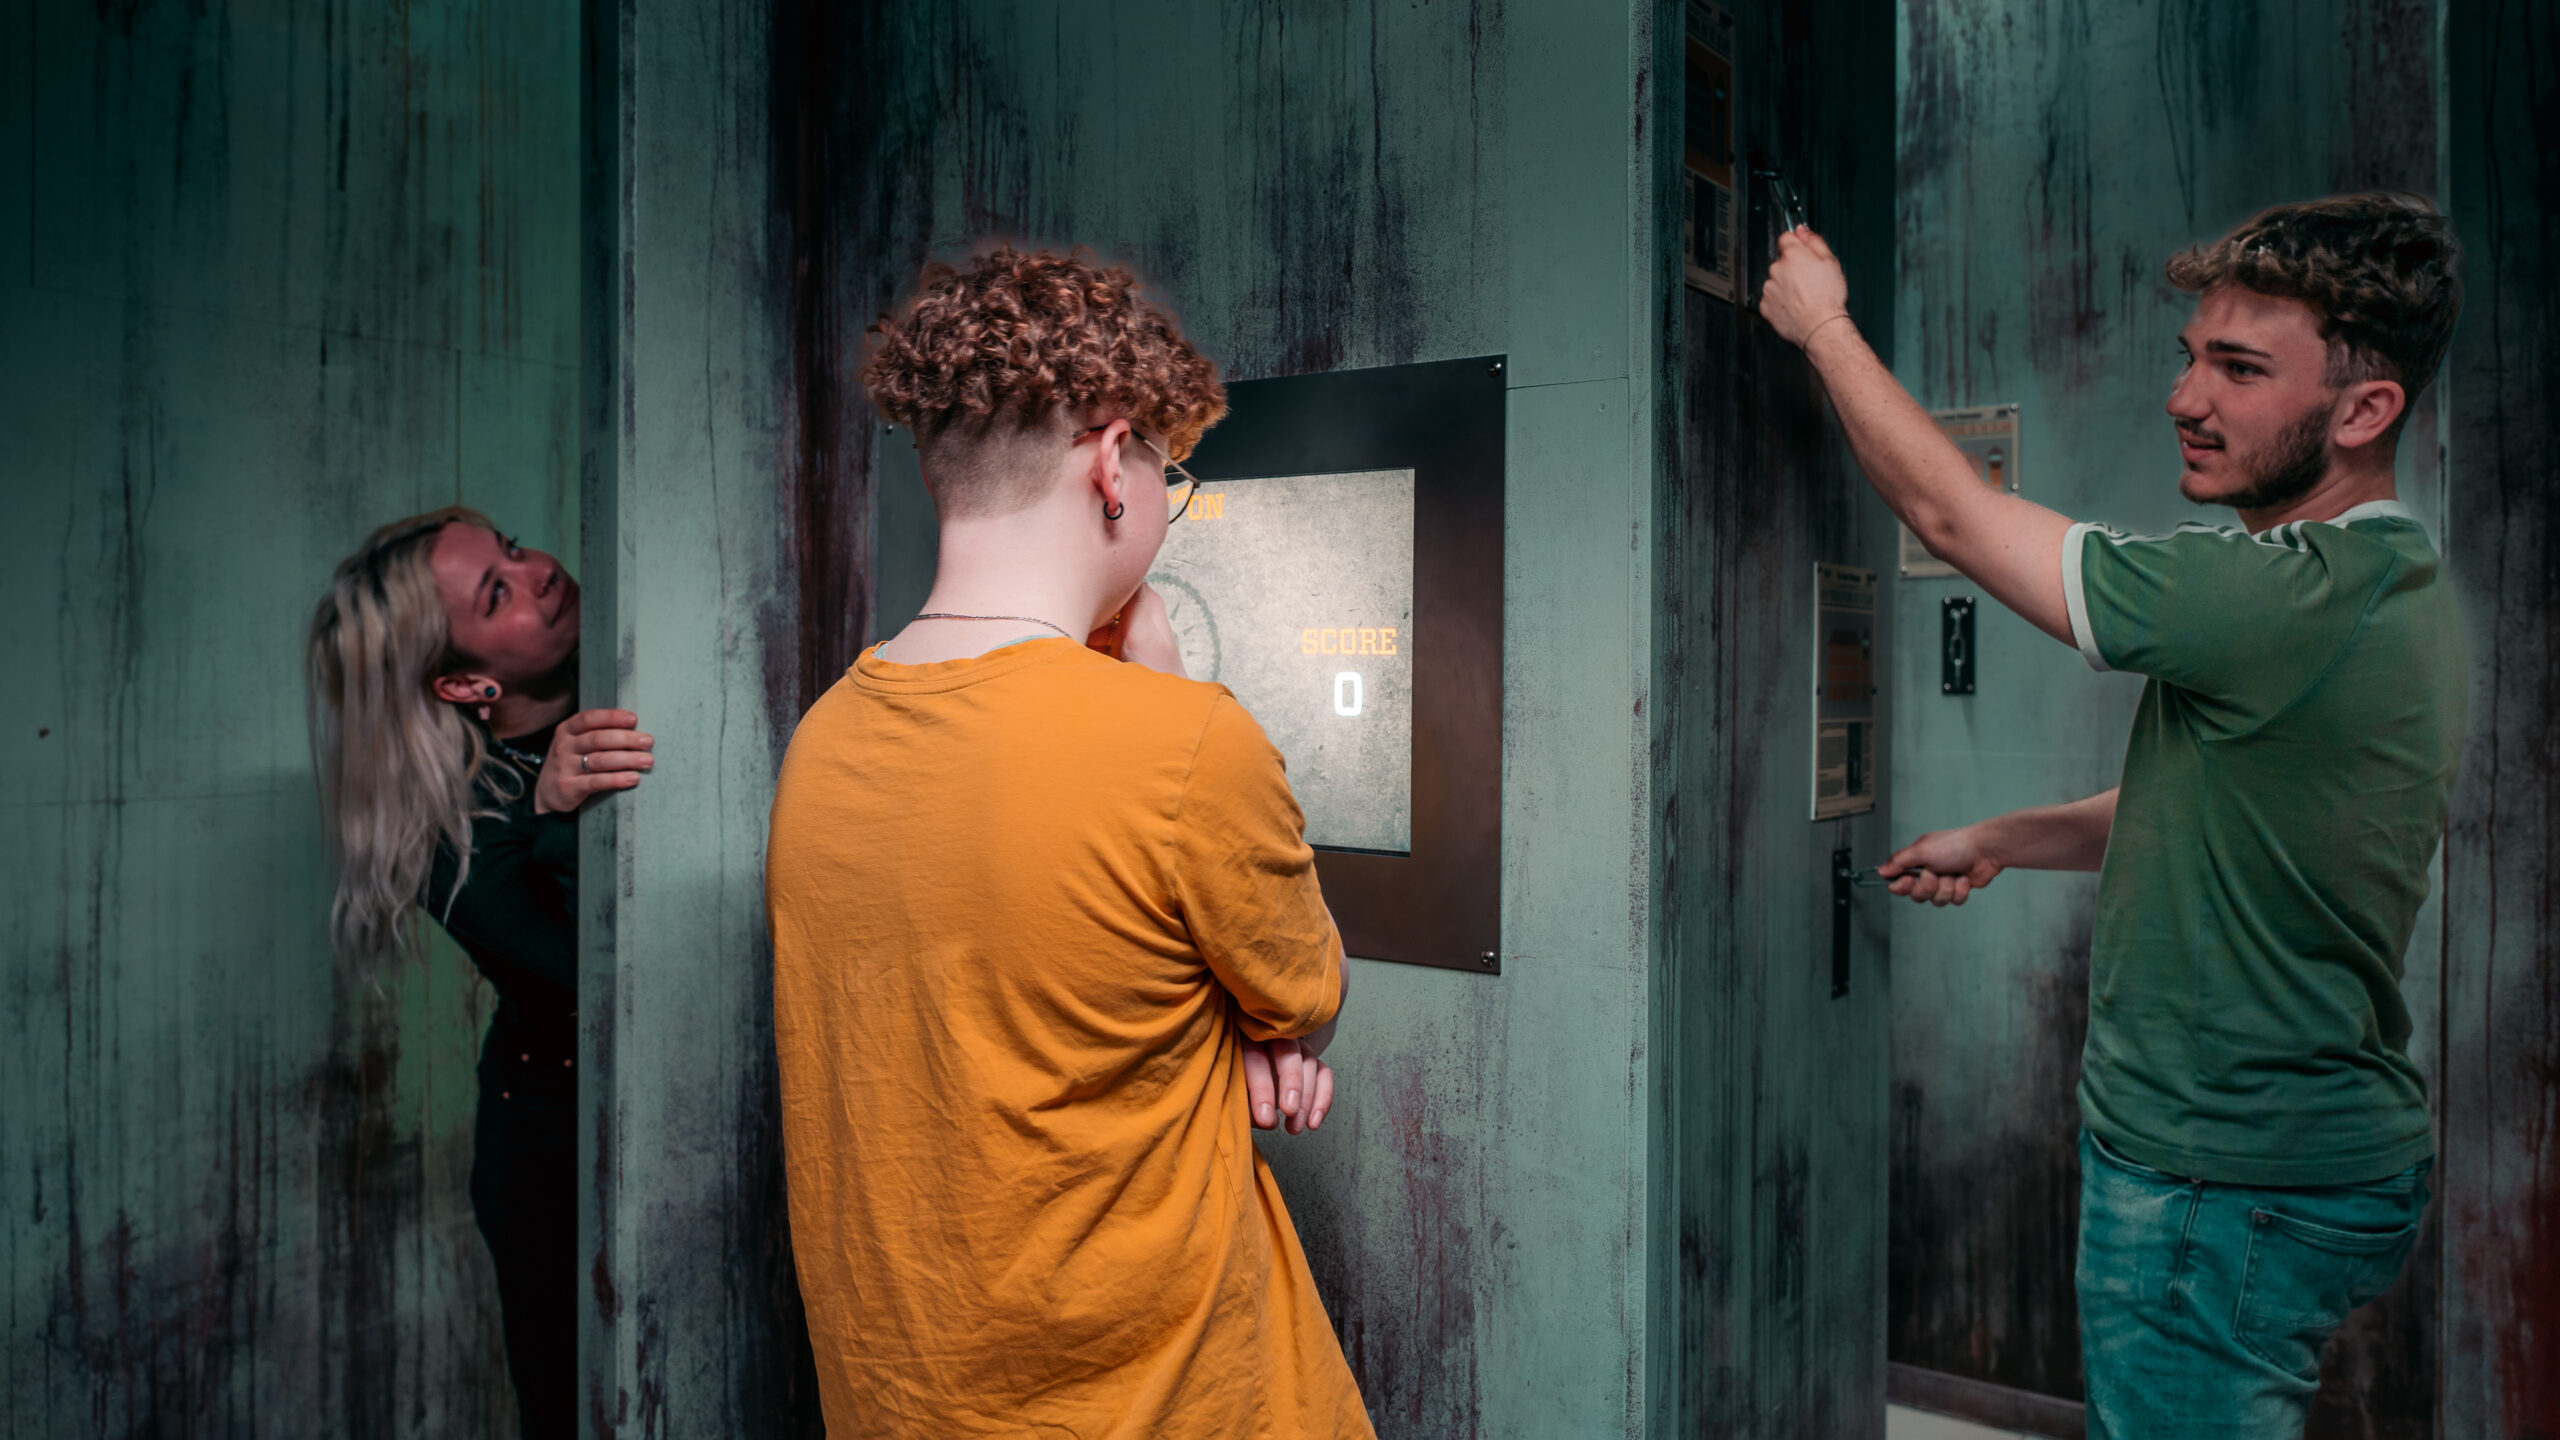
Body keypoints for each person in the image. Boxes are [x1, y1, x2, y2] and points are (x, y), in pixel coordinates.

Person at [1760, 194, 2465, 1436]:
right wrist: (2003, 839)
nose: (2184, 398)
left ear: (2363, 412)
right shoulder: (2396, 587)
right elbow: (2226, 808)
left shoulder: (2284, 594)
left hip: (2218, 1183)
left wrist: (1821, 328)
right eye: (2189, 357)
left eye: (2238, 369)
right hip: (2321, 1160)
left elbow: (1953, 517)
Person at [765, 246, 1371, 1438]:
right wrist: (1168, 690)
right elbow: (1306, 990)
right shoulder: (1183, 742)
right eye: (1166, 474)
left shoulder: (824, 739)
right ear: (1111, 464)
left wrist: (1237, 1029)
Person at [306, 508, 653, 1440]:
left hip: (694, 1096)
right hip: (558, 1146)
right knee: (589, 1401)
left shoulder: (642, 668)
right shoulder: (452, 830)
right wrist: (559, 819)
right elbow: (596, 973)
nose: (539, 571)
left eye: (513, 548)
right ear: (465, 683)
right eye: (497, 593)